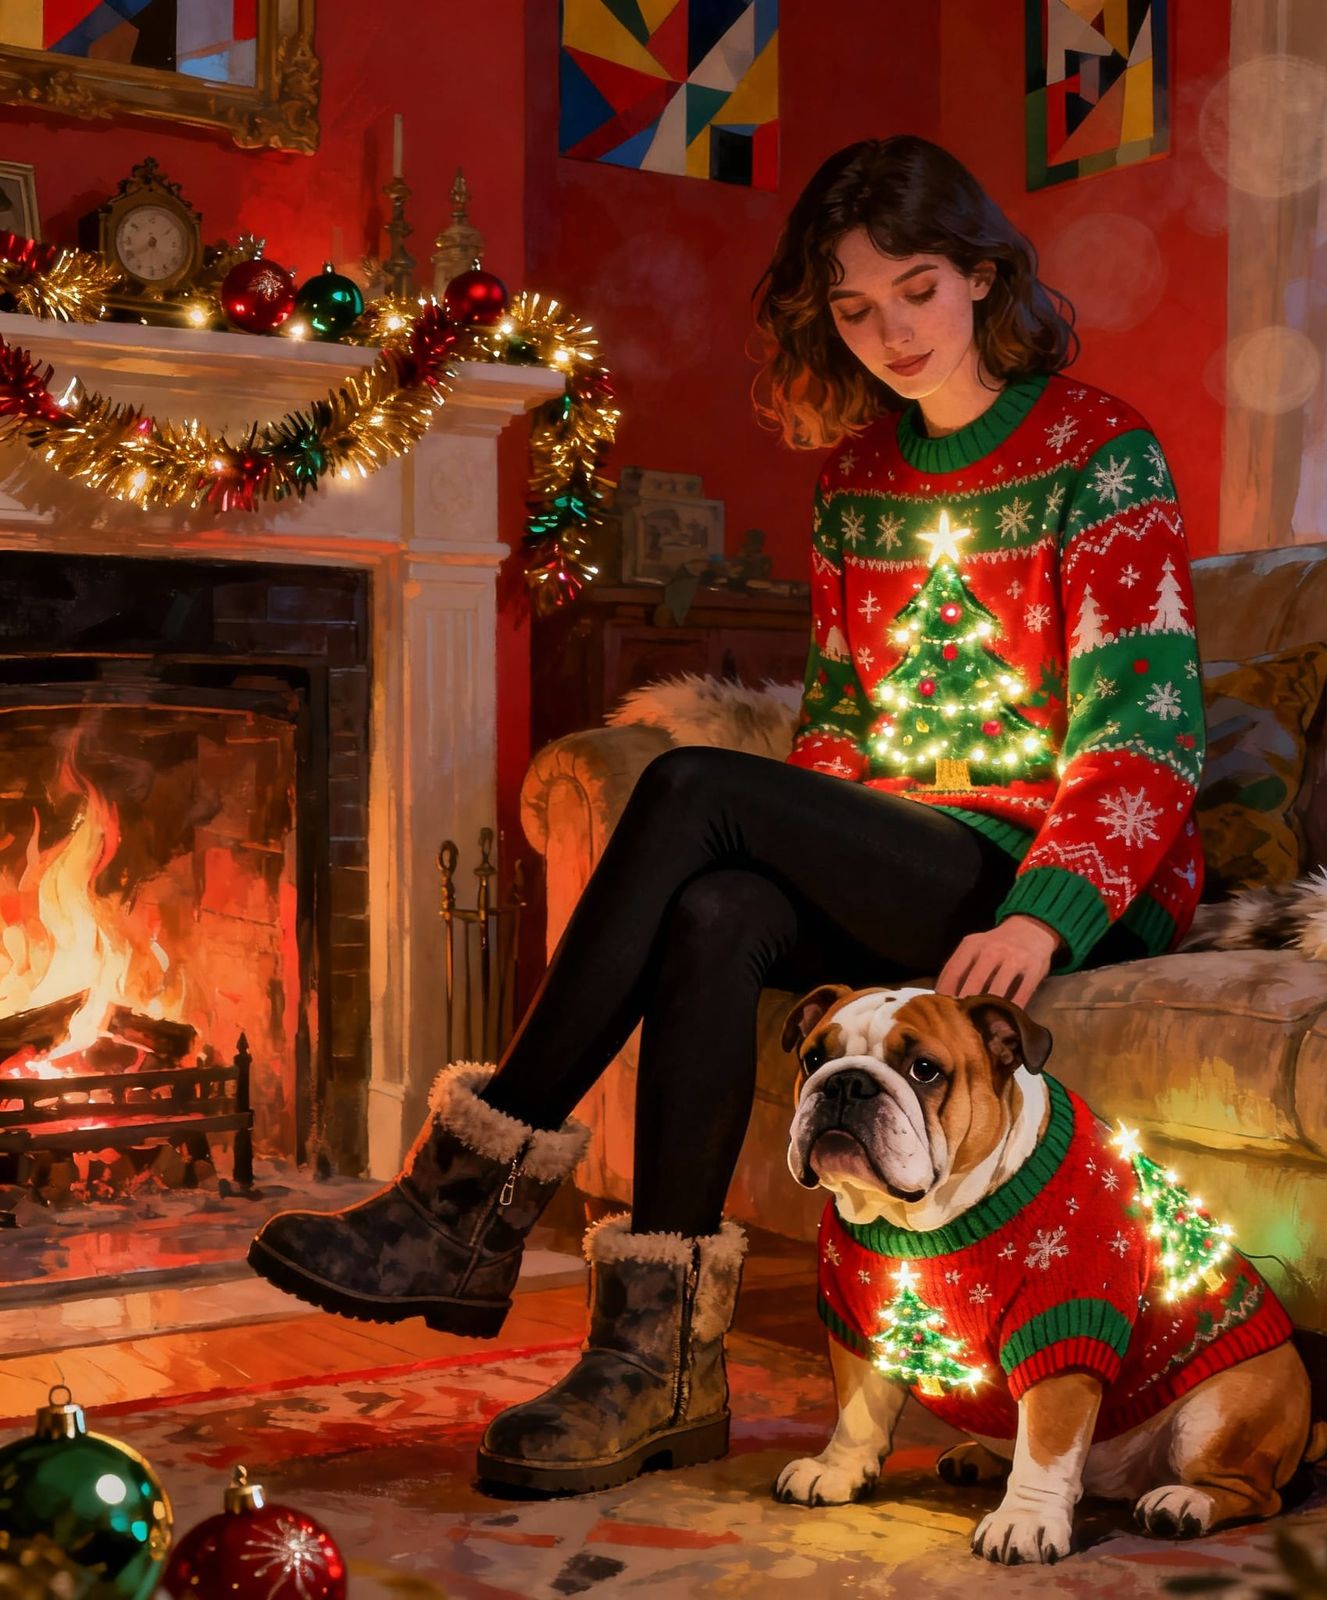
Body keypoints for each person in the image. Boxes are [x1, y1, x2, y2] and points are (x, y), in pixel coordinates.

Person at [247, 134, 1206, 1497]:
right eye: (857, 311)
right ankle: (658, 1374)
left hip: (1054, 877)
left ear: (986, 276)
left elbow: (1147, 736)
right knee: (720, 905)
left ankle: (464, 1197)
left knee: (690, 782)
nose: (892, 336)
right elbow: (829, 731)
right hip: (905, 854)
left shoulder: (1097, 456)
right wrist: (808, 833)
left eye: (920, 292)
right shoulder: (857, 487)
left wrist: (1046, 917)